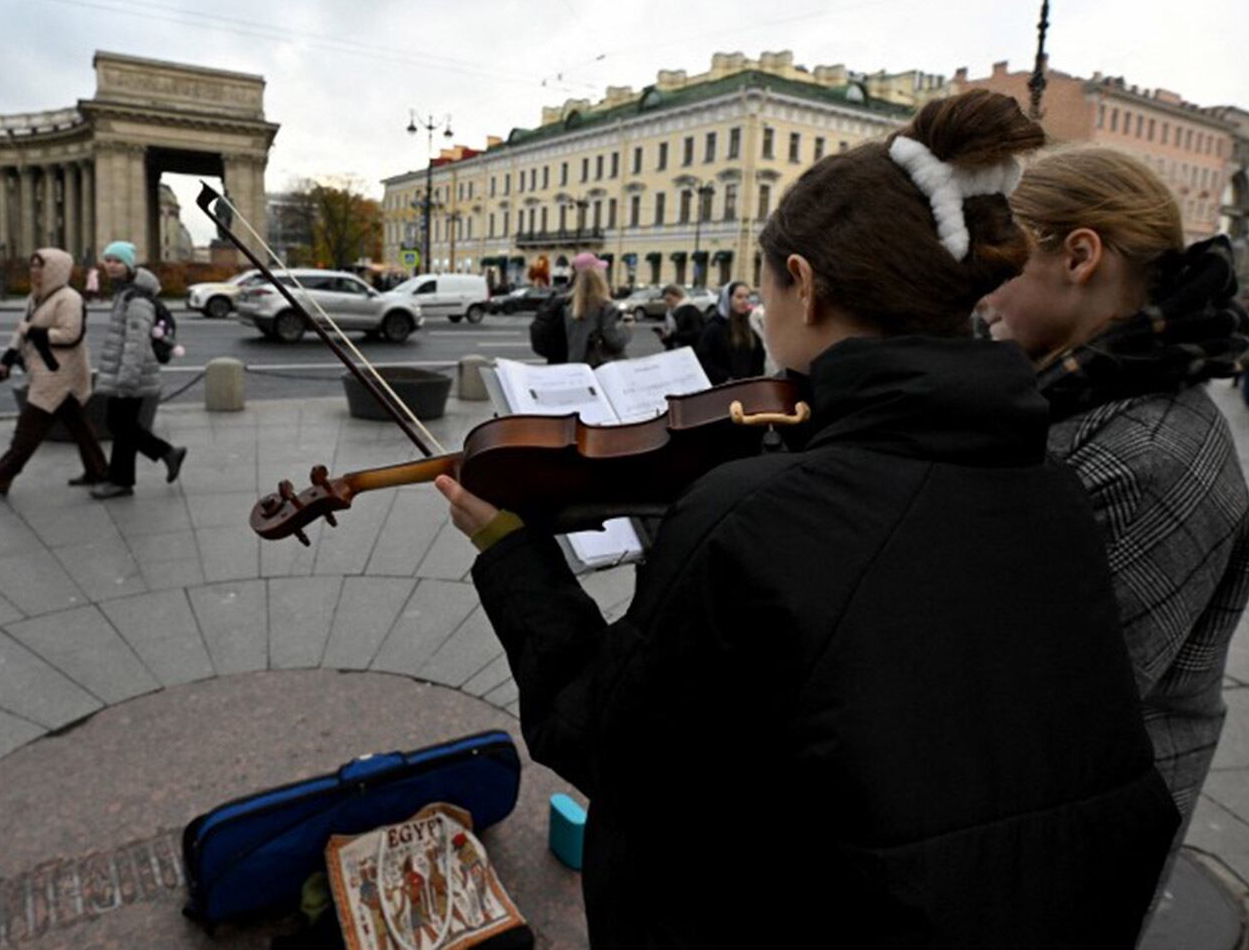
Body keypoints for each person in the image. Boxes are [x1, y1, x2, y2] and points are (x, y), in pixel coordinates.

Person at [434, 90, 1175, 948]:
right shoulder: (1052, 486)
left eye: (767, 281)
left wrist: (511, 554)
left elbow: (603, 743)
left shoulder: (752, 518)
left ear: (806, 287)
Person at [981, 146, 1249, 884]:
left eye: (994, 262)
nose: (980, 294)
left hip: (1066, 840)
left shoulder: (1143, 453)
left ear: (1078, 255)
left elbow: (1038, 707)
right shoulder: (1085, 398)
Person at [0, 248, 110, 496]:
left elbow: (70, 335)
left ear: (55, 269)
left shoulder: (69, 298)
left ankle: (0, 476)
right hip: (45, 370)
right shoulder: (36, 297)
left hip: (60, 373)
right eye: (32, 265)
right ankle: (99, 471)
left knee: (28, 428)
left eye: (40, 266)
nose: (34, 270)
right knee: (80, 427)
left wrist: (34, 332)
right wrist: (7, 360)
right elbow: (21, 330)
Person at [89, 240, 185, 499]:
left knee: (119, 425)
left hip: (132, 375)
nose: (111, 265)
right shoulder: (125, 293)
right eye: (108, 259)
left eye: (117, 261)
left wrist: (126, 380)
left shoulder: (136, 299)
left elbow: (136, 343)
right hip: (128, 373)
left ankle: (162, 455)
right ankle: (123, 478)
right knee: (123, 426)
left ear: (130, 266)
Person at [693, 280, 765, 383]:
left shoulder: (749, 328)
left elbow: (758, 358)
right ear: (728, 299)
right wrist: (726, 379)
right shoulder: (713, 328)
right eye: (739, 297)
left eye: (747, 297)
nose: (744, 301)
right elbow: (705, 361)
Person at [561, 254, 627, 365]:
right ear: (599, 280)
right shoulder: (605, 308)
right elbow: (615, 341)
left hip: (576, 367)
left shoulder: (569, 308)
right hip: (600, 369)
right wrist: (627, 329)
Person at [651, 284, 702, 350]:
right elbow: (670, 335)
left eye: (669, 300)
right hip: (674, 349)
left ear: (678, 296)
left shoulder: (691, 310)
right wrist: (664, 338)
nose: (667, 303)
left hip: (688, 350)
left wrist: (673, 336)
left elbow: (697, 333)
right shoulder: (669, 313)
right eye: (665, 300)